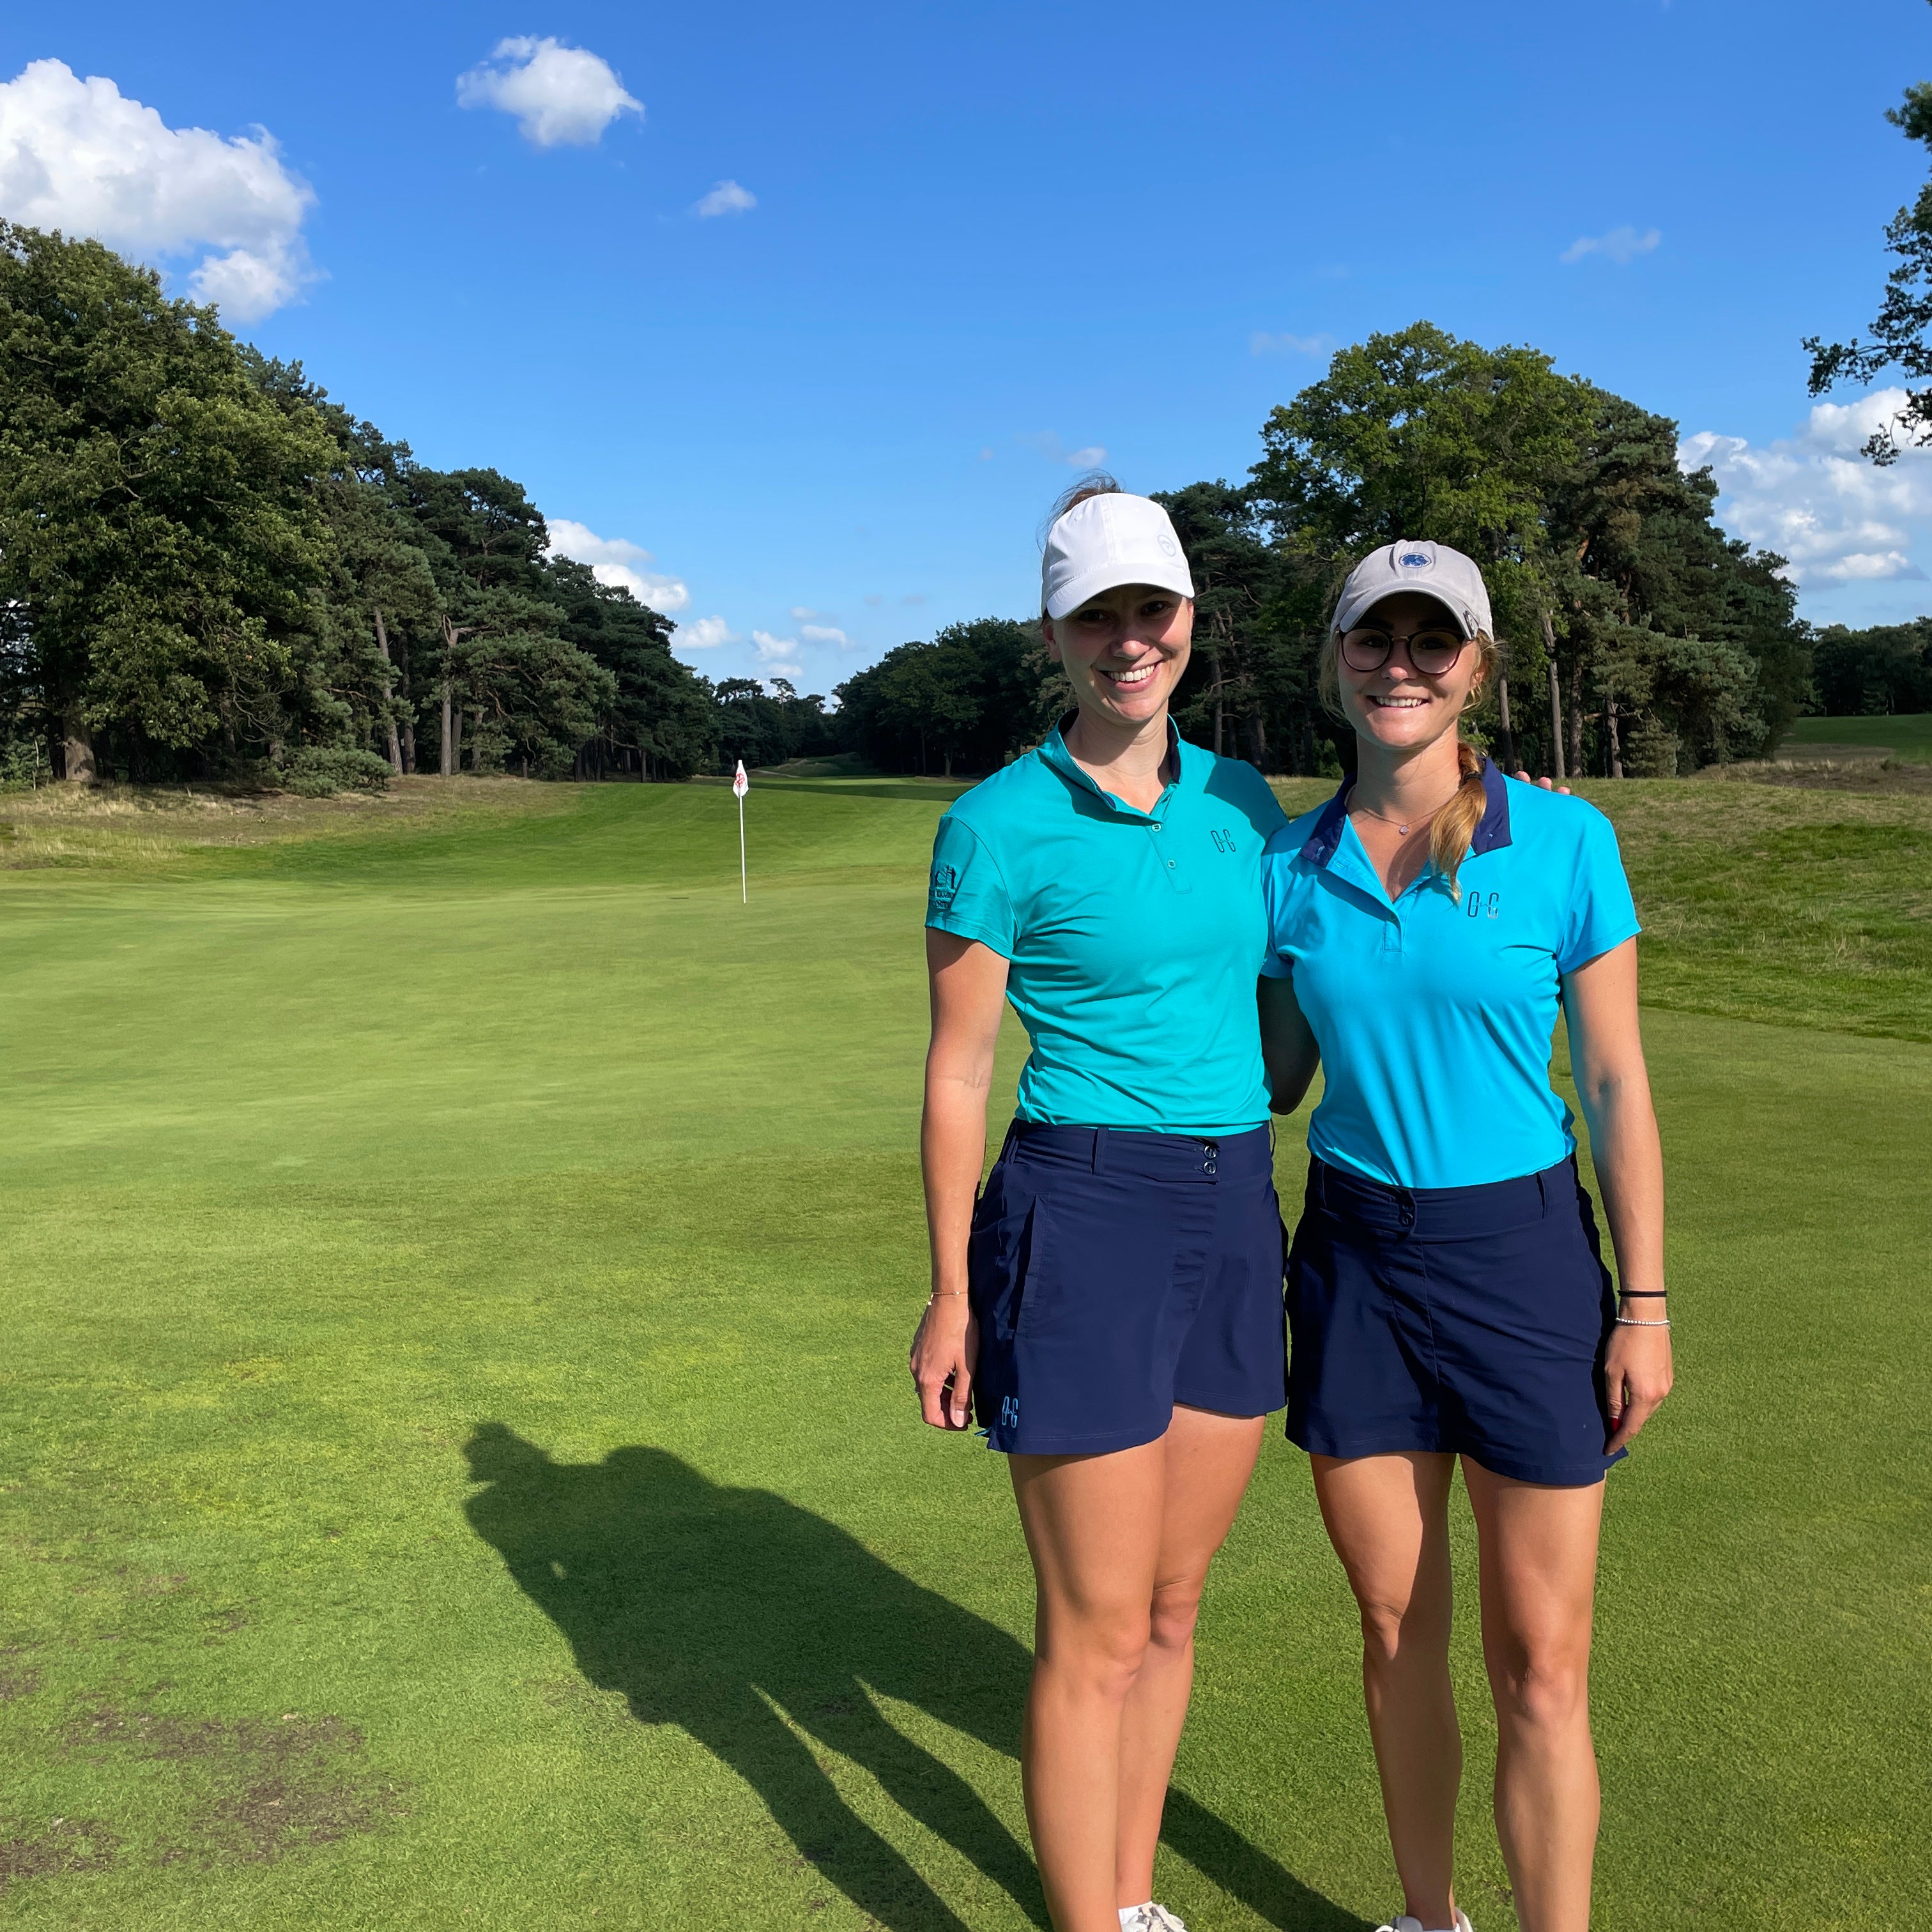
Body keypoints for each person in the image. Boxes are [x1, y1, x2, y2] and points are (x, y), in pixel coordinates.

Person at [1255, 540, 1675, 1932]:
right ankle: (1428, 1920)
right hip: (1359, 1260)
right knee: (1395, 1633)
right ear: (1337, 662)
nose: (1402, 666)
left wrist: (1648, 1303)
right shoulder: (1294, 865)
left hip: (1525, 1262)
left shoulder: (1562, 842)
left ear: (1478, 668)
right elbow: (1270, 1078)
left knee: (1542, 1663)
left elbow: (1614, 1083)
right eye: (1376, 640)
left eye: (1435, 643)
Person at [910, 480, 1291, 1932]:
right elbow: (957, 1073)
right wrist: (951, 1289)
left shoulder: (1243, 800)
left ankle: (1129, 1905)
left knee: (1174, 1610)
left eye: (1153, 611)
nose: (1130, 642)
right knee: (1095, 1631)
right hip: (1082, 1207)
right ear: (1054, 636)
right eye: (1099, 619)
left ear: (1190, 620)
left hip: (1238, 1200)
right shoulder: (996, 823)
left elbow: (1282, 1016)